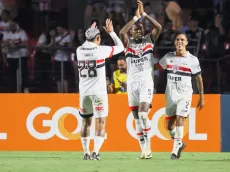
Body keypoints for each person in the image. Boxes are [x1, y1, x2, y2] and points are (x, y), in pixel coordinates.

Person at [119, 0, 162, 159]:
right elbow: (122, 32)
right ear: (132, 33)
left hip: (146, 82)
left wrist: (145, 15)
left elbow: (159, 27)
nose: (138, 31)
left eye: (141, 30)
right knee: (136, 118)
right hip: (132, 83)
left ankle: (149, 147)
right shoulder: (128, 43)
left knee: (143, 115)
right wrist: (135, 18)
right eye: (136, 30)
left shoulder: (149, 41)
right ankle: (144, 150)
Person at [77, 19, 124, 160]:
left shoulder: (79, 50)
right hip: (98, 93)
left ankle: (85, 153)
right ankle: (95, 152)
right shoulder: (101, 50)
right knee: (100, 121)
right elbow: (121, 47)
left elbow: (87, 42)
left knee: (86, 122)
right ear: (98, 38)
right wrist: (111, 33)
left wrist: (92, 32)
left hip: (84, 93)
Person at [157, 32, 204, 160]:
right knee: (169, 127)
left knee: (180, 118)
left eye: (182, 40)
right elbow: (157, 68)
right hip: (170, 95)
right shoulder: (168, 57)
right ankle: (180, 143)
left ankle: (175, 150)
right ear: (174, 42)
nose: (179, 42)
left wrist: (201, 97)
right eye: (177, 39)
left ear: (187, 43)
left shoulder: (192, 60)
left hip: (185, 94)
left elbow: (199, 79)